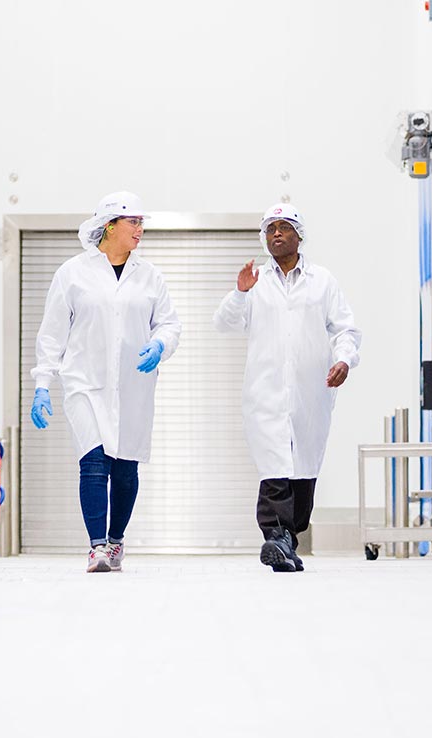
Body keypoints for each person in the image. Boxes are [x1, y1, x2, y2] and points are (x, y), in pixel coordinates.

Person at [30, 191, 182, 573]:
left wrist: (160, 344)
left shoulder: (150, 276)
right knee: (94, 462)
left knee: (125, 468)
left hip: (133, 386)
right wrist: (42, 383)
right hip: (84, 383)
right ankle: (97, 546)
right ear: (110, 225)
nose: (140, 229)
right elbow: (52, 333)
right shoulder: (72, 273)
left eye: (142, 222)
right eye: (133, 222)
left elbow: (169, 324)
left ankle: (116, 543)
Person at [213, 203, 362, 572]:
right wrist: (239, 293)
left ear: (299, 235)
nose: (276, 233)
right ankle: (275, 535)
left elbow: (345, 329)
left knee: (304, 471)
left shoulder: (323, 281)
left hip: (312, 392)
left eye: (284, 227)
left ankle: (287, 540)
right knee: (274, 466)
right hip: (265, 393)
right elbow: (224, 324)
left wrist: (344, 359)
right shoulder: (255, 282)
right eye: (270, 229)